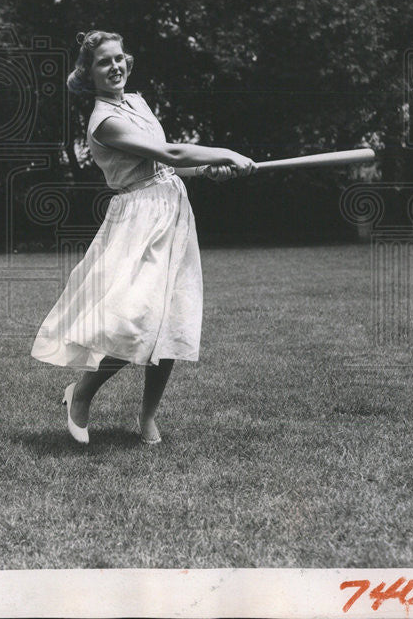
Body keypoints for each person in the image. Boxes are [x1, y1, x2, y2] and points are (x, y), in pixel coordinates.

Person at [31, 30, 256, 445]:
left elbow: (165, 167)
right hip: (138, 220)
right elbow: (170, 153)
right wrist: (224, 152)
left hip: (173, 212)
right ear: (89, 72)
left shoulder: (136, 102)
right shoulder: (104, 122)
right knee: (134, 319)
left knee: (171, 320)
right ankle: (80, 394)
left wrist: (207, 171)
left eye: (119, 58)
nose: (114, 67)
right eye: (103, 62)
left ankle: (148, 415)